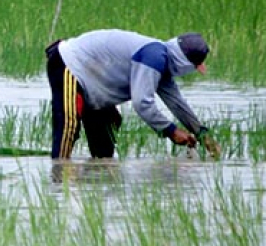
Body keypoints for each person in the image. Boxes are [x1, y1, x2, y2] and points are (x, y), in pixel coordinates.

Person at [46, 29, 220, 159]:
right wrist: (171, 131)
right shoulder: (154, 57)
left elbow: (177, 104)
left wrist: (202, 134)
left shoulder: (163, 63)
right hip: (70, 65)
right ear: (185, 63)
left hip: (97, 83)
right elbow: (142, 103)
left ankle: (95, 186)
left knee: (104, 147)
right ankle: (58, 185)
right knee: (68, 127)